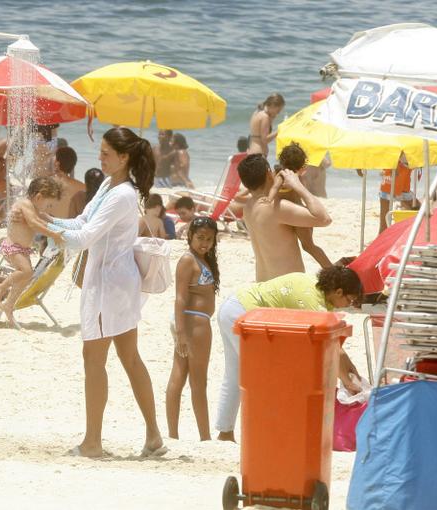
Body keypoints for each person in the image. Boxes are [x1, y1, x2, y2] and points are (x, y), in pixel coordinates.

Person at [47, 127, 166, 458]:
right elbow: (80, 222)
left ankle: (93, 443)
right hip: (115, 282)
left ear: (124, 157)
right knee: (129, 357)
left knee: (94, 358)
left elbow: (84, 238)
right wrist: (45, 220)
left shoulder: (123, 194)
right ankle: (154, 437)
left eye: (105, 153)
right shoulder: (107, 185)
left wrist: (42, 227)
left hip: (109, 286)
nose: (99, 158)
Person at [215, 266, 363, 442]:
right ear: (339, 292)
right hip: (243, 313)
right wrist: (348, 381)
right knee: (264, 377)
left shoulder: (315, 289)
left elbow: (337, 347)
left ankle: (225, 433)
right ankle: (264, 435)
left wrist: (351, 372)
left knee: (235, 374)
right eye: (350, 300)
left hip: (233, 306)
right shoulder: (313, 301)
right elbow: (332, 348)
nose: (349, 305)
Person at [238, 154, 331, 282]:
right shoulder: (276, 208)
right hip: (285, 287)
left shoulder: (248, 207)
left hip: (262, 284)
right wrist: (298, 186)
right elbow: (325, 219)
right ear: (268, 174)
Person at [167, 216, 219, 441]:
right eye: (200, 238)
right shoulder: (188, 260)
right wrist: (180, 333)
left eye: (209, 239)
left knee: (181, 376)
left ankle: (174, 435)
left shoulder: (202, 259)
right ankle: (204, 436)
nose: (204, 243)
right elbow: (179, 298)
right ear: (189, 236)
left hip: (193, 322)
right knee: (198, 381)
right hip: (193, 322)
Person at [0, 176, 63, 327]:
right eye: (48, 204)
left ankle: (9, 305)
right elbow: (33, 223)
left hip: (22, 249)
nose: (48, 208)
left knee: (25, 277)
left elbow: (44, 220)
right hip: (12, 247)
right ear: (39, 197)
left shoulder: (35, 208)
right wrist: (53, 235)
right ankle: (1, 286)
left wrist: (62, 227)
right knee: (26, 272)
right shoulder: (25, 204)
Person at [276, 143, 333, 269]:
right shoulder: (297, 177)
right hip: (299, 212)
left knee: (309, 246)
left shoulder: (285, 176)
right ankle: (330, 268)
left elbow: (275, 190)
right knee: (309, 246)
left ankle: (330, 268)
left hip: (298, 215)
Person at [378, 155, 414, 234]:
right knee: (384, 225)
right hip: (390, 184)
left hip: (401, 186)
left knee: (416, 211)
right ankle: (382, 242)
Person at [51, 146, 87, 218]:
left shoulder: (44, 184)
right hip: (71, 227)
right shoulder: (83, 187)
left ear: (57, 163)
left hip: (47, 227)